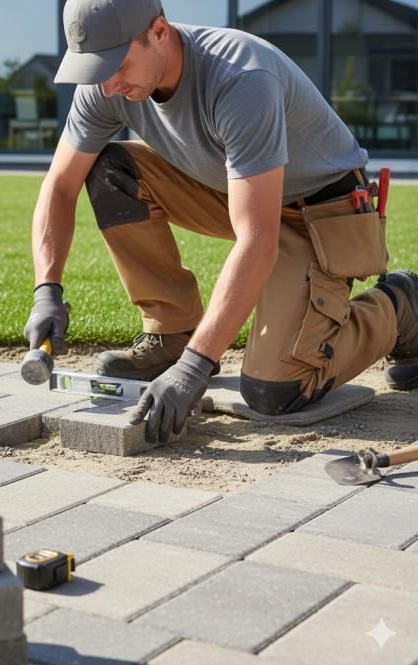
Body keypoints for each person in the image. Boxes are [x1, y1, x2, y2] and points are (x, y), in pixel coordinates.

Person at [23, 0, 418, 443]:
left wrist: (197, 367)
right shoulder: (104, 84)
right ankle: (171, 334)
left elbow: (257, 239)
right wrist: (47, 291)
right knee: (110, 169)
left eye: (117, 64)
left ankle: (401, 306)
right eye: (94, 67)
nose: (108, 83)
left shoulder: (240, 78)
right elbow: (60, 186)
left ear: (158, 31)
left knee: (276, 391)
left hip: (321, 214)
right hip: (236, 193)